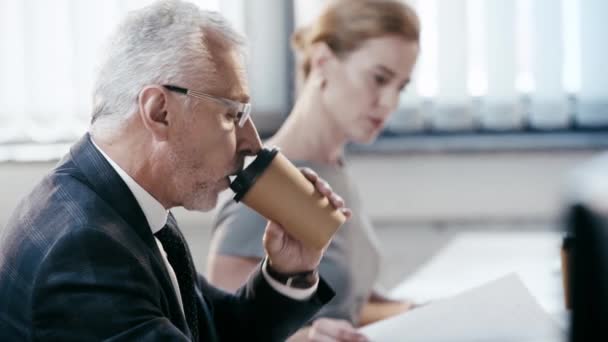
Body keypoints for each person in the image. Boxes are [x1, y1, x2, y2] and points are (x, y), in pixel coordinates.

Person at [0, 1, 353, 340]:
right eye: (233, 115)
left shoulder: (123, 204)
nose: (253, 144)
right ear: (159, 112)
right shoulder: (83, 247)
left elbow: (215, 331)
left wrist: (288, 270)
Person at [207, 0, 420, 340]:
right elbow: (223, 327)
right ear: (322, 61)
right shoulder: (269, 183)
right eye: (379, 79)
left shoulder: (332, 169)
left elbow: (342, 302)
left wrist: (412, 313)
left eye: (400, 87)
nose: (389, 103)